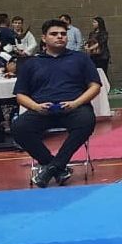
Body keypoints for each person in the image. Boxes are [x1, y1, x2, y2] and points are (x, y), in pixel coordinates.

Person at [11, 19, 101, 188]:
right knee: (19, 127)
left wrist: (76, 103)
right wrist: (36, 107)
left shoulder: (80, 59)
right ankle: (56, 166)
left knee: (86, 121)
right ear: (44, 38)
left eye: (63, 34)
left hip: (74, 108)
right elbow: (20, 95)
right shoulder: (31, 63)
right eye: (54, 34)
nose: (59, 37)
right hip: (41, 110)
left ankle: (53, 167)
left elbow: (95, 87)